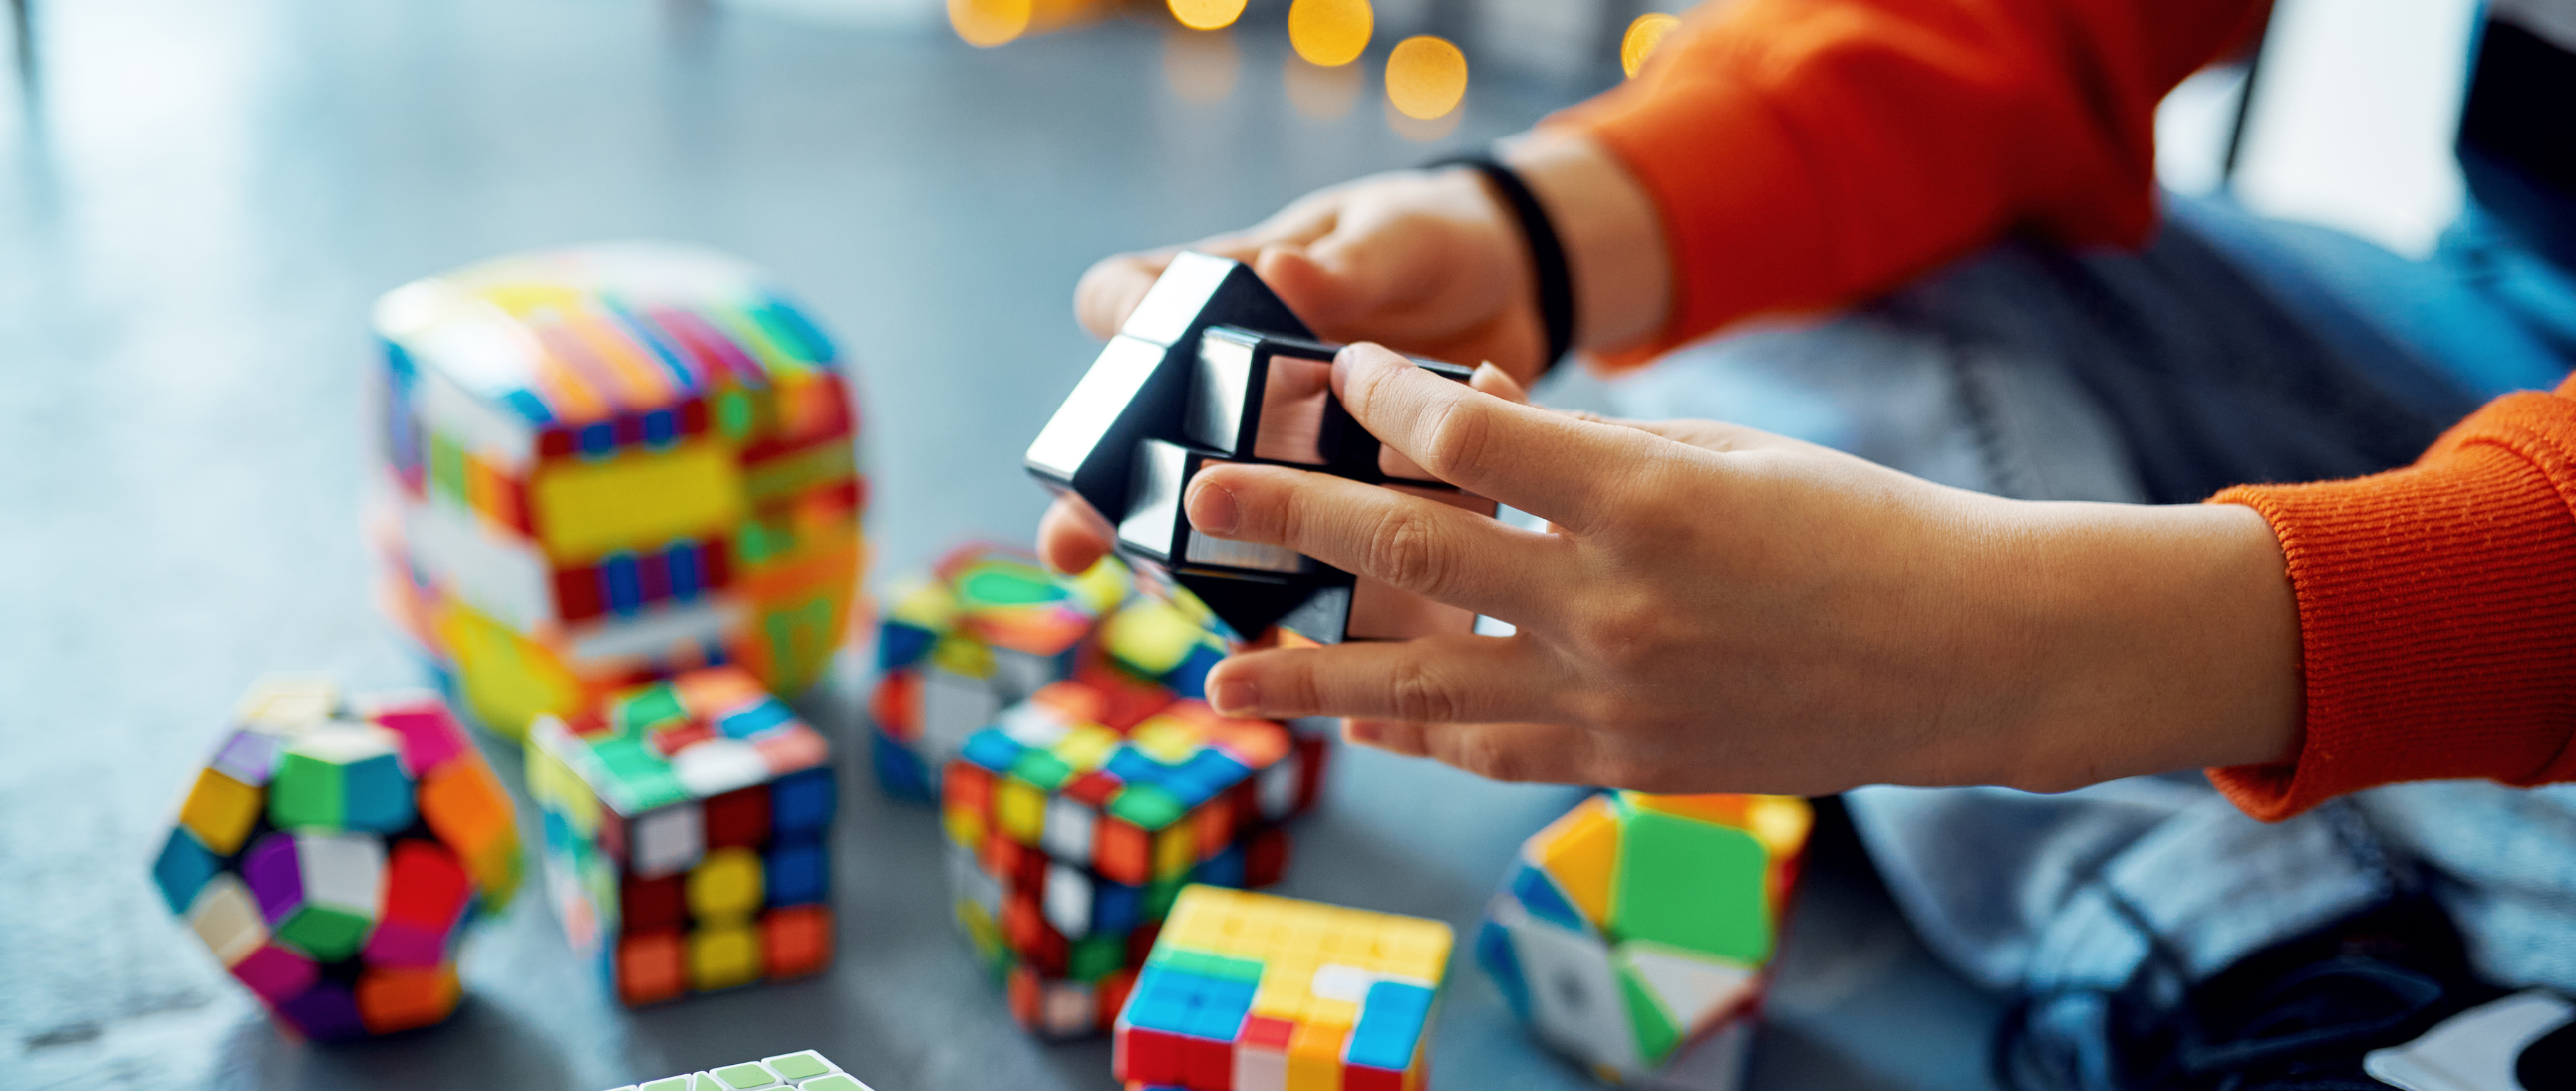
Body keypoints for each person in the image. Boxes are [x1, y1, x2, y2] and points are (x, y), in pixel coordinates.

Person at [1040, 0, 2576, 1086]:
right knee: (1728, 313)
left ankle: (2301, 956)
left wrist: (2035, 646)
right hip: (2495, 315)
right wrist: (1548, 229)